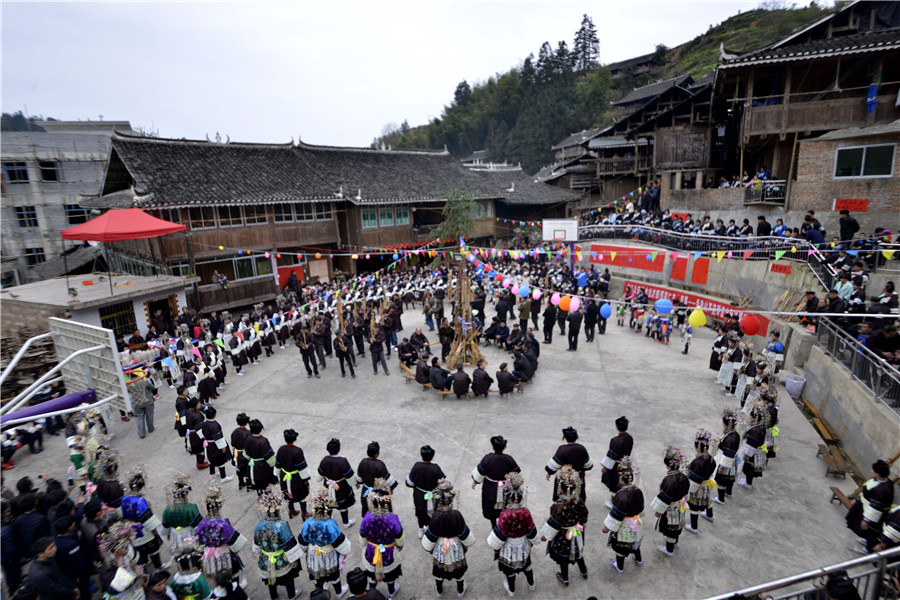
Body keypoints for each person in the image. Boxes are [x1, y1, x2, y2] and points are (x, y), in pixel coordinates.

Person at [421, 479, 474, 598]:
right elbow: (464, 533)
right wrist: (465, 545)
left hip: (440, 546)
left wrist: (430, 548)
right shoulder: (456, 514)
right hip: (455, 545)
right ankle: (460, 590)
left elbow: (431, 535)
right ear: (451, 498)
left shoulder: (435, 516)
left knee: (439, 570)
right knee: (458, 570)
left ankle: (439, 591)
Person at [486, 472, 537, 597]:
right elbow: (531, 531)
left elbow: (501, 535)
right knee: (527, 564)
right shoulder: (526, 512)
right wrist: (533, 541)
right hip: (524, 543)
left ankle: (512, 589)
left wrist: (496, 547)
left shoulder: (504, 514)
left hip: (509, 546)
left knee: (509, 570)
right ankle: (531, 583)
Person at [539, 465, 588, 587]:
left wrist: (545, 536)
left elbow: (553, 525)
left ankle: (565, 578)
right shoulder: (580, 502)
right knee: (577, 550)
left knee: (563, 557)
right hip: (576, 532)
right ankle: (584, 571)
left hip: (562, 536)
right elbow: (584, 519)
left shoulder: (558, 506)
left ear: (560, 488)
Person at [299, 488, 351, 598]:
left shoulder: (308, 522)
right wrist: (344, 551)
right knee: (334, 575)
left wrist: (304, 549)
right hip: (328, 553)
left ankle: (320, 592)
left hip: (313, 553)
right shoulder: (330, 523)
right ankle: (338, 592)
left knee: (317, 574)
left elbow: (303, 539)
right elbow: (338, 541)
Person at [253, 487, 303, 600]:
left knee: (270, 579)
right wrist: (295, 560)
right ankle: (291, 595)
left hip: (266, 558)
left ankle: (274, 596)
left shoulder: (259, 524)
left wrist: (259, 552)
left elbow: (256, 545)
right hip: (281, 559)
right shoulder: (282, 525)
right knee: (288, 579)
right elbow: (289, 544)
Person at [358, 480, 404, 598]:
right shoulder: (392, 519)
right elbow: (398, 537)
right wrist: (399, 546)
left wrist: (364, 545)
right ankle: (391, 591)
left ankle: (371, 589)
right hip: (388, 552)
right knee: (390, 574)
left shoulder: (367, 517)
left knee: (372, 571)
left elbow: (362, 535)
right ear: (387, 502)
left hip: (371, 550)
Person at [196, 484, 247, 580]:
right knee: (231, 572)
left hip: (210, 554)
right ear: (219, 506)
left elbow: (198, 540)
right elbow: (233, 541)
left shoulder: (202, 523)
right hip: (224, 552)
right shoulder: (223, 523)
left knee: (217, 575)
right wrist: (235, 551)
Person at [603, 457, 644, 573]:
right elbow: (641, 509)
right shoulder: (638, 491)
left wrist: (607, 527)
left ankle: (620, 567)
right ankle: (639, 560)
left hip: (624, 526)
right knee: (636, 542)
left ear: (621, 479)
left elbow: (616, 515)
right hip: (637, 522)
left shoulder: (620, 496)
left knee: (621, 546)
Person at [471, 436, 521, 529]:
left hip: (490, 490)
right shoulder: (509, 459)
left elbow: (480, 472)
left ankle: (494, 526)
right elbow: (517, 472)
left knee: (492, 510)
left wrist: (475, 482)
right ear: (504, 447)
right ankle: (504, 525)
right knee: (505, 507)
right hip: (506, 489)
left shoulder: (487, 458)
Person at [847, 459, 895, 554]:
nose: (871, 470)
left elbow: (875, 507)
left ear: (878, 474)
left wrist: (867, 520)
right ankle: (865, 539)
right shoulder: (884, 481)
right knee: (867, 530)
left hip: (872, 514)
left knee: (870, 530)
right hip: (865, 508)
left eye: (873, 470)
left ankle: (868, 549)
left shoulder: (882, 490)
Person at [121, 466, 165, 568]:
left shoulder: (124, 499)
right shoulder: (140, 501)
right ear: (141, 487)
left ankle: (144, 567)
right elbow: (148, 521)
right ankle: (158, 567)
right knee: (153, 549)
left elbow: (123, 516)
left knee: (140, 551)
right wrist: (156, 534)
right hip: (144, 531)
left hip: (131, 530)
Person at [650, 447, 689, 557]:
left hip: (671, 508)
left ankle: (669, 549)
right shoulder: (684, 477)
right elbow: (686, 492)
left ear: (668, 466)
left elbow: (664, 498)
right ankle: (675, 542)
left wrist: (658, 511)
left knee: (670, 527)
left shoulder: (668, 481)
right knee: (677, 524)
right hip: (680, 506)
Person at [317, 438, 359, 528]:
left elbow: (319, 475)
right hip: (341, 487)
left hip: (327, 485)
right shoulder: (343, 461)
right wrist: (355, 483)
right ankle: (345, 523)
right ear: (339, 449)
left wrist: (319, 478)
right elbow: (349, 476)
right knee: (343, 505)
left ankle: (328, 520)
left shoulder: (325, 460)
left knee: (328, 503)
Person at [406, 445, 445, 539]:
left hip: (419, 495)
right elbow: (444, 482)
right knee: (432, 512)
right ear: (432, 456)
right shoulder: (435, 468)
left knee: (420, 511)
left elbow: (409, 482)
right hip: (433, 495)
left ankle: (420, 529)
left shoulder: (417, 466)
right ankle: (431, 530)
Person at [545, 426, 593, 501]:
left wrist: (549, 473)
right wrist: (583, 470)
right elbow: (588, 465)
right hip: (578, 477)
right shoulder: (581, 448)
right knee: (577, 495)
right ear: (576, 437)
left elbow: (553, 465)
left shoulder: (562, 449)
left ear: (565, 438)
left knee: (563, 497)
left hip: (564, 478)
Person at [684, 429, 717, 535]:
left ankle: (694, 527)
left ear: (698, 447)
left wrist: (688, 492)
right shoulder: (710, 458)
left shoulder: (698, 463)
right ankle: (710, 516)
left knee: (694, 506)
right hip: (706, 485)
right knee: (707, 500)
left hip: (697, 488)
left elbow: (694, 482)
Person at [161, 473, 202, 556]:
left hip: (176, 539)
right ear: (186, 494)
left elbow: (164, 531)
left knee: (180, 560)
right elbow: (199, 528)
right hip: (191, 538)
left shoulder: (168, 509)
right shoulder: (192, 508)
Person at [276, 429, 311, 519]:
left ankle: (291, 510)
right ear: (295, 439)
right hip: (296, 479)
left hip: (284, 477)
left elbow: (278, 465)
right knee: (302, 495)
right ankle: (304, 513)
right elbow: (302, 469)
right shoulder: (297, 451)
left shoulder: (281, 449)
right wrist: (305, 480)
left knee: (287, 493)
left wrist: (277, 476)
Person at [357, 441, 398, 518]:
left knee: (368, 511)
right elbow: (388, 480)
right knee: (382, 511)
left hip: (366, 491)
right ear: (377, 454)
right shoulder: (380, 465)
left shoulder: (363, 462)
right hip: (379, 493)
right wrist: (390, 489)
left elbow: (359, 479)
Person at [600, 416, 633, 506]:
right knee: (623, 481)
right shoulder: (629, 438)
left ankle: (614, 502)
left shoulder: (615, 440)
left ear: (617, 427)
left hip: (616, 466)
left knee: (615, 483)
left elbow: (611, 456)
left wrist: (605, 467)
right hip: (625, 464)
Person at [713, 408, 741, 505]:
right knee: (730, 478)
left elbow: (728, 454)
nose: (722, 424)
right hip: (731, 461)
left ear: (727, 425)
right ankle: (728, 492)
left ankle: (721, 499)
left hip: (726, 461)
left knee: (722, 479)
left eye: (723, 423)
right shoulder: (735, 434)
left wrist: (722, 466)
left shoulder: (731, 439)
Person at [738, 407, 769, 490]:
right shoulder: (760, 426)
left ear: (756, 418)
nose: (750, 417)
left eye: (751, 416)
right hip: (755, 451)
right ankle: (748, 482)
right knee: (750, 469)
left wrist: (747, 454)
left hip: (753, 453)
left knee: (750, 469)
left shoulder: (756, 430)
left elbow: (752, 443)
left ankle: (748, 483)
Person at [201, 407, 234, 484]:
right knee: (220, 460)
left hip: (208, 444)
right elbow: (218, 438)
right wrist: (223, 447)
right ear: (214, 415)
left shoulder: (205, 423)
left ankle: (212, 474)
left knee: (211, 459)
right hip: (215, 445)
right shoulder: (214, 425)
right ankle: (223, 477)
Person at [244, 419, 276, 494]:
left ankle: (260, 499)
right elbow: (270, 458)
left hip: (252, 466)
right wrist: (273, 465)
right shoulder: (263, 441)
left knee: (258, 487)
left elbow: (245, 454)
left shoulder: (248, 439)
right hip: (263, 468)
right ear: (261, 429)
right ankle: (267, 501)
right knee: (266, 486)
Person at [129, 371, 158, 439]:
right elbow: (153, 387)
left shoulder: (129, 385)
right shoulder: (144, 382)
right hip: (147, 401)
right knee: (149, 415)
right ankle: (151, 428)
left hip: (136, 403)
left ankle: (142, 433)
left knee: (139, 418)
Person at [230, 413, 252, 491]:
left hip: (236, 453)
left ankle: (241, 482)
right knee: (247, 469)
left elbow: (232, 443)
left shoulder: (234, 432)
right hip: (244, 454)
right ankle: (249, 484)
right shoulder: (248, 433)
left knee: (238, 468)